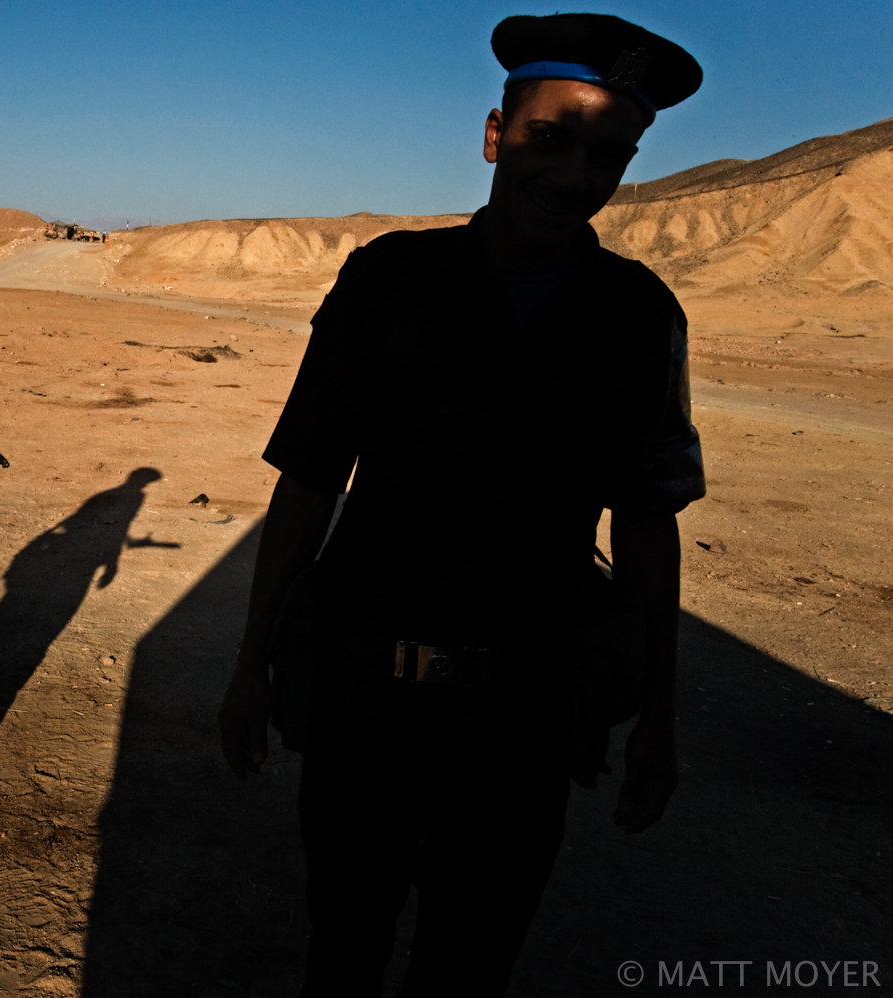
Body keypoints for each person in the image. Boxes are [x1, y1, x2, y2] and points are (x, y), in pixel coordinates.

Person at [216, 13, 706, 996]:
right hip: (365, 706)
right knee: (342, 952)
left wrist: (660, 714)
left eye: (609, 155)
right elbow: (309, 481)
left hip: (524, 723)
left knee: (469, 969)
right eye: (550, 136)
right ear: (495, 133)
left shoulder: (639, 316)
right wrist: (250, 661)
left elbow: (647, 522)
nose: (573, 175)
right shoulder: (386, 283)